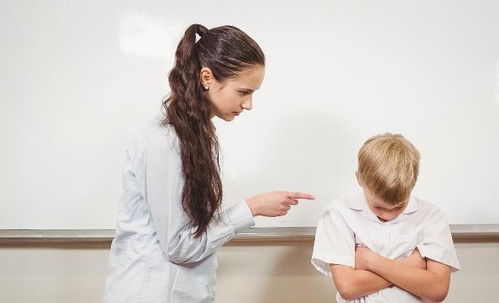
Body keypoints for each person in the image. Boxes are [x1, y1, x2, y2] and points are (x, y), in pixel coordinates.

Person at [101, 24, 315, 303]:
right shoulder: (165, 142)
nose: (249, 104)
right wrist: (250, 209)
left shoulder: (194, 136)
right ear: (206, 78)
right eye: (243, 92)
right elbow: (180, 246)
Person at [311, 133, 460, 302]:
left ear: (414, 182)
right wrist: (412, 265)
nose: (388, 215)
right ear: (359, 179)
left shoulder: (432, 216)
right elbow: (348, 287)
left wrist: (370, 261)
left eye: (399, 206)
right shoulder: (339, 213)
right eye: (378, 207)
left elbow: (437, 289)